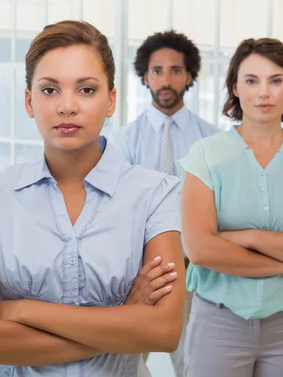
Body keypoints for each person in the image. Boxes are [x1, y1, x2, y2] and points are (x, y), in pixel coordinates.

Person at [0, 20, 186, 377]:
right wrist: (124, 320)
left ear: (111, 100)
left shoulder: (155, 193)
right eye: (49, 90)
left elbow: (164, 332)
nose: (67, 107)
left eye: (86, 90)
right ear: (29, 101)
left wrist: (22, 310)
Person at [179, 38, 283, 377]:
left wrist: (248, 237)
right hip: (219, 324)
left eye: (276, 80)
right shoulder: (206, 155)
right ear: (235, 88)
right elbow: (198, 249)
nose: (264, 93)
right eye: (251, 80)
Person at [111, 30, 219, 376]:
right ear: (145, 76)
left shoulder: (212, 140)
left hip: (194, 268)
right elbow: (118, 206)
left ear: (189, 76)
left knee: (193, 360)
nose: (166, 79)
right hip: (138, 268)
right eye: (157, 71)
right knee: (127, 359)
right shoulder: (124, 140)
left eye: (175, 70)